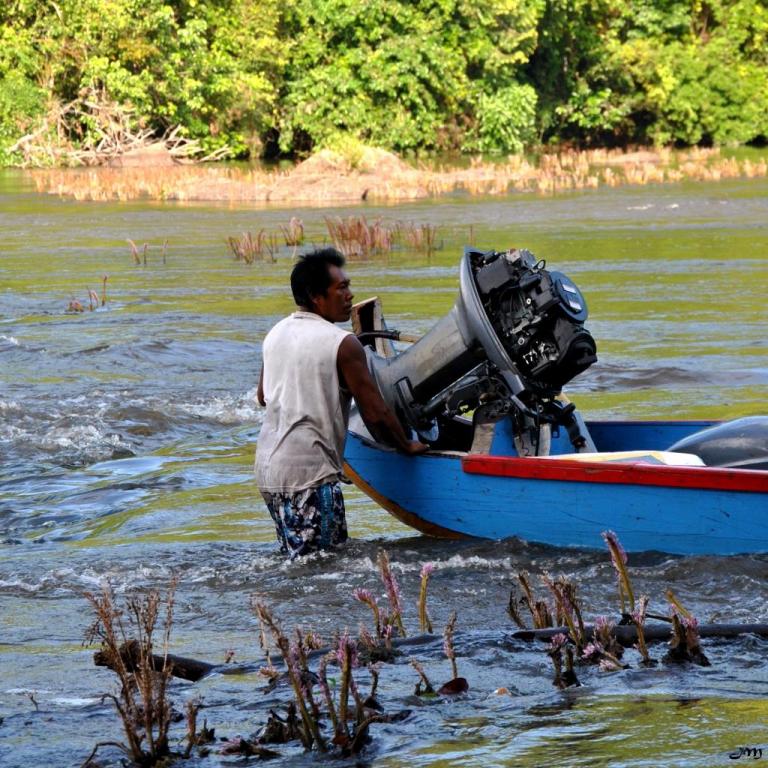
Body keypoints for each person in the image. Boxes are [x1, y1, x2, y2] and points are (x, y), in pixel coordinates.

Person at [255, 248, 427, 558]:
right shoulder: (342, 343)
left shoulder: (276, 333)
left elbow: (262, 396)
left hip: (269, 472)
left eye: (348, 285)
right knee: (324, 568)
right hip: (310, 476)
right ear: (316, 297)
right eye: (341, 288)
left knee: (297, 563)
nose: (349, 294)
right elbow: (375, 414)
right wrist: (406, 445)